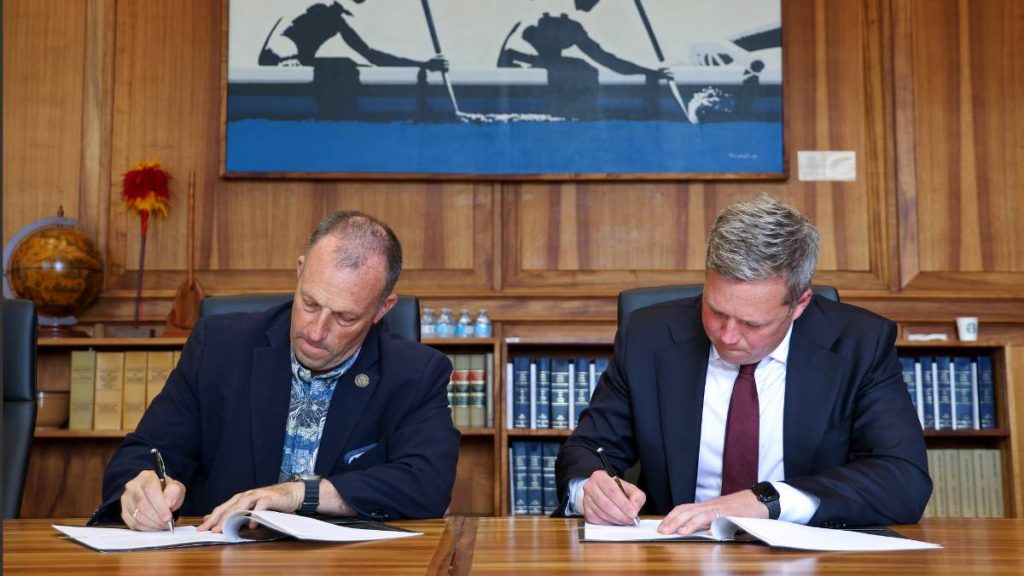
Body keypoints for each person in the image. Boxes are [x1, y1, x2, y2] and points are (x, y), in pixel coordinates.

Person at [556, 195, 931, 534]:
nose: (728, 336)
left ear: (799, 304)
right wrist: (589, 489)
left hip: (811, 557)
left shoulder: (860, 343)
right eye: (716, 311)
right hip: (676, 551)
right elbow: (589, 448)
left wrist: (766, 501)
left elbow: (902, 479)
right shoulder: (647, 336)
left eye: (753, 323)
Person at [89, 211, 459, 531]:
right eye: (310, 303)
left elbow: (427, 483)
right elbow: (145, 453)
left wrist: (300, 493)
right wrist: (144, 489)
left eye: (345, 317)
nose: (316, 332)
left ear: (382, 308)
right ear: (299, 272)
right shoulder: (218, 347)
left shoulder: (415, 374)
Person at [258, 1, 448, 118]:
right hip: (279, 57)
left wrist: (424, 65)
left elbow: (372, 55)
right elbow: (279, 41)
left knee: (354, 64)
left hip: (294, 60)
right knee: (346, 65)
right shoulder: (319, 5)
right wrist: (286, 59)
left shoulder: (337, 17)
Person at [497, 0, 671, 118]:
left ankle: (581, 116)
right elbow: (512, 52)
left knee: (584, 69)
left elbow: (607, 59)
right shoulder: (552, 21)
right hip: (515, 71)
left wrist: (649, 73)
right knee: (581, 70)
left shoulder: (572, 26)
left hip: (536, 73)